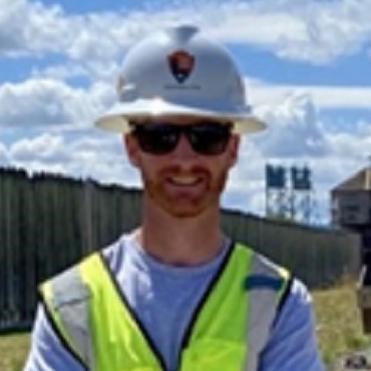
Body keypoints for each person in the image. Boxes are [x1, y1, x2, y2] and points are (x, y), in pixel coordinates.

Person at [25, 25, 325, 371]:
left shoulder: (277, 302)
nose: (184, 159)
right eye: (160, 136)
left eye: (207, 136)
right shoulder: (72, 306)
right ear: (132, 147)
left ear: (233, 148)